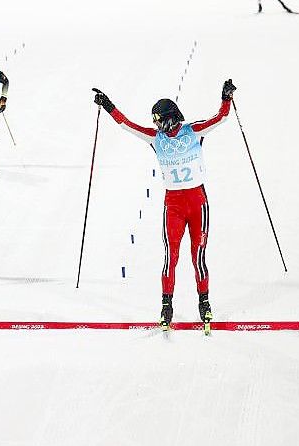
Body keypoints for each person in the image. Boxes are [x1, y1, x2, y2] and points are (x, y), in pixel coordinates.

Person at [92, 79, 237, 328]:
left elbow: (221, 118)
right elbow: (126, 124)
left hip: (197, 202)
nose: (155, 125)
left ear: (170, 118)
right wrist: (108, 105)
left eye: (158, 120)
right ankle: (166, 303)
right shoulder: (155, 138)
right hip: (174, 205)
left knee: (198, 256)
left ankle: (204, 301)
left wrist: (226, 97)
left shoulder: (194, 131)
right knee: (171, 256)